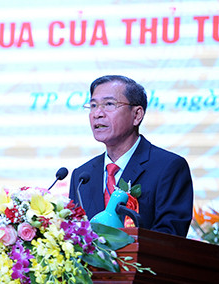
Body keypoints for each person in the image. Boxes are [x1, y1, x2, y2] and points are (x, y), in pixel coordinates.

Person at [68, 75, 193, 237]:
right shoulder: (82, 176)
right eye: (93, 105)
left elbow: (170, 236)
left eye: (109, 104)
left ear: (137, 115)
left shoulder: (169, 168)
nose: (97, 113)